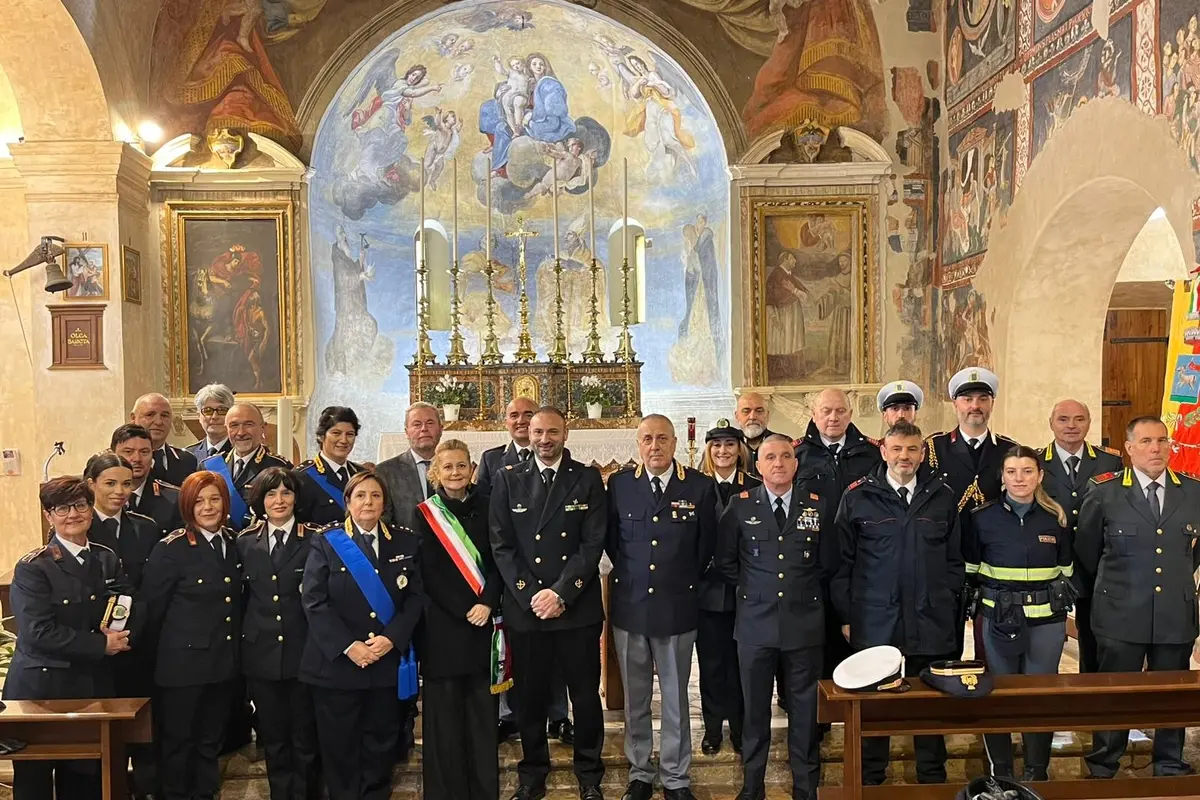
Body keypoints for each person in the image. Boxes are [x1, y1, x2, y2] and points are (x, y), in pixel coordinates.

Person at [833, 420, 963, 786]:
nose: (904, 456)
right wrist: (846, 615)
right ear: (883, 451)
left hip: (931, 622)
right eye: (897, 449)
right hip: (876, 621)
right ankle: (871, 782)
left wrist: (947, 602)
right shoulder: (857, 496)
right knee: (875, 709)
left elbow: (955, 560)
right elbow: (842, 562)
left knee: (929, 709)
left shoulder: (943, 495)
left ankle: (932, 782)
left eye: (911, 449)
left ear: (922, 454)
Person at [489, 407, 607, 800]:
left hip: (576, 607)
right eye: (537, 431)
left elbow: (592, 544)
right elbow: (502, 545)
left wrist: (560, 593)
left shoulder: (588, 478)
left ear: (565, 433)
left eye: (552, 432)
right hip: (528, 609)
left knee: (586, 697)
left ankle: (589, 774)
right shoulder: (507, 479)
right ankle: (532, 772)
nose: (543, 439)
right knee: (530, 697)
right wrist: (530, 594)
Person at [1078, 416, 1200, 779]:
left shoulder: (1193, 491)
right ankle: (1104, 761)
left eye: (1163, 441)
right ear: (1129, 449)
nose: (1156, 448)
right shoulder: (1104, 490)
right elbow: (1087, 551)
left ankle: (1169, 762)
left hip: (1174, 614)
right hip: (1119, 612)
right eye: (1146, 441)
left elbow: (1193, 554)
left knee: (1171, 693)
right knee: (1116, 691)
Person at [606, 415, 716, 800]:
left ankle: (675, 777)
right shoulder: (620, 485)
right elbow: (612, 543)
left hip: (676, 606)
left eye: (662, 439)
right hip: (631, 606)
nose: (655, 446)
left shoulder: (699, 487)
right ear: (638, 444)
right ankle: (640, 772)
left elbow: (706, 547)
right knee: (636, 698)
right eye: (647, 439)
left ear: (674, 443)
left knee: (675, 698)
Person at [4, 476, 133, 800]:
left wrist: (121, 630)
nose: (72, 514)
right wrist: (100, 644)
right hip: (42, 692)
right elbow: (37, 632)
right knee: (34, 786)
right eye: (61, 508)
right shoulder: (34, 567)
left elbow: (123, 601)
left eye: (79, 505)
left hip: (91, 688)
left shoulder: (106, 558)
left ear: (91, 510)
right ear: (49, 516)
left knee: (85, 783)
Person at [300, 471, 423, 800]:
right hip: (338, 666)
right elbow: (313, 600)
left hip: (385, 663)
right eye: (360, 496)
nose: (368, 502)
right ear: (348, 502)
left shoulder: (405, 541)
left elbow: (415, 598)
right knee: (339, 747)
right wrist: (348, 646)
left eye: (375, 496)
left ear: (385, 502)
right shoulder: (327, 541)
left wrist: (391, 639)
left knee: (381, 743)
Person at [716, 435, 825, 800]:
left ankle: (806, 789)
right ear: (757, 466)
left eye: (785, 457)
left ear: (796, 465)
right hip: (755, 626)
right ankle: (752, 787)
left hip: (803, 626)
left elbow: (828, 564)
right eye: (769, 457)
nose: (778, 463)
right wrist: (757, 591)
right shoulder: (739, 506)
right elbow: (727, 562)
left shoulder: (817, 507)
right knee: (754, 715)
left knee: (805, 715)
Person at [965, 446, 1073, 781]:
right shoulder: (981, 518)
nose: (1019, 478)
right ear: (1002, 477)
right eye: (1011, 471)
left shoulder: (1056, 518)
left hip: (1046, 625)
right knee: (998, 693)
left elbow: (1066, 571)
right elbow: (970, 572)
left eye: (1027, 471)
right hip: (999, 620)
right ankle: (1002, 774)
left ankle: (1037, 770)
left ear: (1040, 476)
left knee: (1040, 696)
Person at [140, 471, 243, 800]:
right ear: (187, 506)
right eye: (199, 501)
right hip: (181, 668)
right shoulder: (171, 548)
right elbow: (153, 612)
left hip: (223, 665)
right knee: (178, 744)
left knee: (210, 742)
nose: (208, 507)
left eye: (214, 499)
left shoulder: (234, 540)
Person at [473, 396, 567, 743]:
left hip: (555, 580)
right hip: (515, 576)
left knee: (556, 653)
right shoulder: (492, 459)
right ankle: (512, 715)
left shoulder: (563, 464)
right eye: (515, 415)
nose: (522, 421)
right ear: (506, 420)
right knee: (514, 651)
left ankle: (559, 715)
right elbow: (486, 513)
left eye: (529, 415)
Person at [415, 440, 502, 800]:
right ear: (436, 471)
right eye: (447, 467)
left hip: (484, 624)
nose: (455, 473)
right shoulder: (424, 513)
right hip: (444, 628)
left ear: (472, 470)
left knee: (482, 719)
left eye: (461, 466)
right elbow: (428, 571)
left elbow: (500, 559)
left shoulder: (489, 506)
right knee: (445, 722)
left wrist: (486, 602)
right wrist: (463, 607)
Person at [237, 468, 320, 800]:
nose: (279, 500)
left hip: (304, 653)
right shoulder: (244, 542)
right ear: (261, 500)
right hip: (262, 656)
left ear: (296, 498)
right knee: (273, 738)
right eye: (271, 494)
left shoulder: (314, 539)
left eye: (286, 493)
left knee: (304, 736)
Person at [924, 367, 1017, 655]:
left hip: (993, 557)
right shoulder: (933, 448)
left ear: (991, 404)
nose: (975, 406)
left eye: (982, 399)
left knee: (992, 640)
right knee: (944, 639)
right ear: (955, 404)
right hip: (948, 555)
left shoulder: (1009, 450)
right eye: (967, 399)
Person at [83, 452, 160, 798]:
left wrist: (131, 632)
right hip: (94, 650)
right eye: (110, 483)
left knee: (143, 737)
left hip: (137, 645)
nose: (120, 492)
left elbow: (152, 589)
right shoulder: (79, 525)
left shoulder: (146, 527)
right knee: (100, 742)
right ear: (91, 485)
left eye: (126, 484)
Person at [792, 388, 881, 683]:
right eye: (826, 411)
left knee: (861, 648)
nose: (833, 417)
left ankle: (861, 723)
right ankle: (817, 725)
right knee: (815, 649)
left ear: (850, 414)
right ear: (814, 415)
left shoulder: (871, 454)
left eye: (840, 411)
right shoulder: (797, 455)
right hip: (812, 565)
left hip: (861, 563)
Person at [372, 401, 442, 759]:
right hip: (403, 578)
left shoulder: (457, 465)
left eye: (430, 422)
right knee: (404, 652)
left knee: (439, 653)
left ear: (441, 427)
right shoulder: (386, 471)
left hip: (448, 580)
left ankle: (440, 726)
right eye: (417, 424)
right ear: (407, 430)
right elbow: (380, 526)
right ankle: (402, 725)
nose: (424, 429)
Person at [1035, 399, 1122, 674]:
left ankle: (1091, 693)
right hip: (1049, 562)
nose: (1071, 426)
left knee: (1093, 633)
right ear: (1051, 423)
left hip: (1095, 564)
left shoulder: (1110, 460)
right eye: (1063, 419)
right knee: (1044, 637)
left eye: (1079, 419)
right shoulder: (1035, 460)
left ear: (1089, 422)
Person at [696, 420, 759, 756]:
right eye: (716, 445)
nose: (723, 451)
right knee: (711, 663)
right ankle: (711, 728)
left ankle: (738, 726)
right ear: (709, 450)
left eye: (729, 445)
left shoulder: (753, 486)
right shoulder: (695, 485)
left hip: (742, 591)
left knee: (739, 664)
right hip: (706, 591)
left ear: (740, 449)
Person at [203, 402, 292, 529]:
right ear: (226, 429)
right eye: (233, 425)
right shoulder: (209, 466)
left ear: (263, 428)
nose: (241, 432)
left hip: (258, 544)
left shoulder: (279, 467)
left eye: (248, 424)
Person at [295, 406, 367, 528]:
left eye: (350, 434)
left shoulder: (362, 475)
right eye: (336, 433)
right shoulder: (302, 477)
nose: (344, 440)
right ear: (321, 436)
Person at [112, 423, 183, 537]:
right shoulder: (98, 497)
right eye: (128, 452)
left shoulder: (174, 499)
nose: (137, 459)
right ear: (113, 455)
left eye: (144, 452)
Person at [132, 392, 198, 487]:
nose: (158, 422)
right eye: (150, 415)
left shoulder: (187, 461)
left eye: (165, 415)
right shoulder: (121, 460)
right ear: (134, 418)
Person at [733, 392, 777, 478]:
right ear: (737, 416)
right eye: (746, 411)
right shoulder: (727, 446)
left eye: (759, 411)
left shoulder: (783, 443)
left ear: (767, 415)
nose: (752, 417)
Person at [188, 383, 235, 461]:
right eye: (208, 411)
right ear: (199, 416)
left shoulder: (240, 452)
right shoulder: (189, 455)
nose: (214, 417)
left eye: (222, 410)